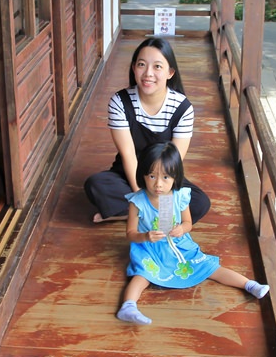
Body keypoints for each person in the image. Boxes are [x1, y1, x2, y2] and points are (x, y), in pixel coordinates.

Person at [116, 143, 269, 325]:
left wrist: (181, 228)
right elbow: (130, 233)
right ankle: (128, 307)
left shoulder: (179, 196)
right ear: (142, 175)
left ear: (175, 177)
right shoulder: (137, 201)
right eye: (152, 176)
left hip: (178, 244)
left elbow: (188, 223)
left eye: (166, 177)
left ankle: (250, 285)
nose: (158, 184)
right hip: (149, 248)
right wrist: (145, 236)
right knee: (142, 275)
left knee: (209, 266)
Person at [84, 37, 210, 224]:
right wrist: (142, 198)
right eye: (142, 65)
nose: (148, 73)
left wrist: (159, 190)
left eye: (157, 67)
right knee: (96, 185)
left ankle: (130, 214)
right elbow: (128, 155)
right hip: (129, 173)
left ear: (170, 72)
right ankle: (143, 212)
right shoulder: (120, 102)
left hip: (164, 176)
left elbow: (173, 161)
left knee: (200, 202)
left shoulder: (182, 108)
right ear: (134, 68)